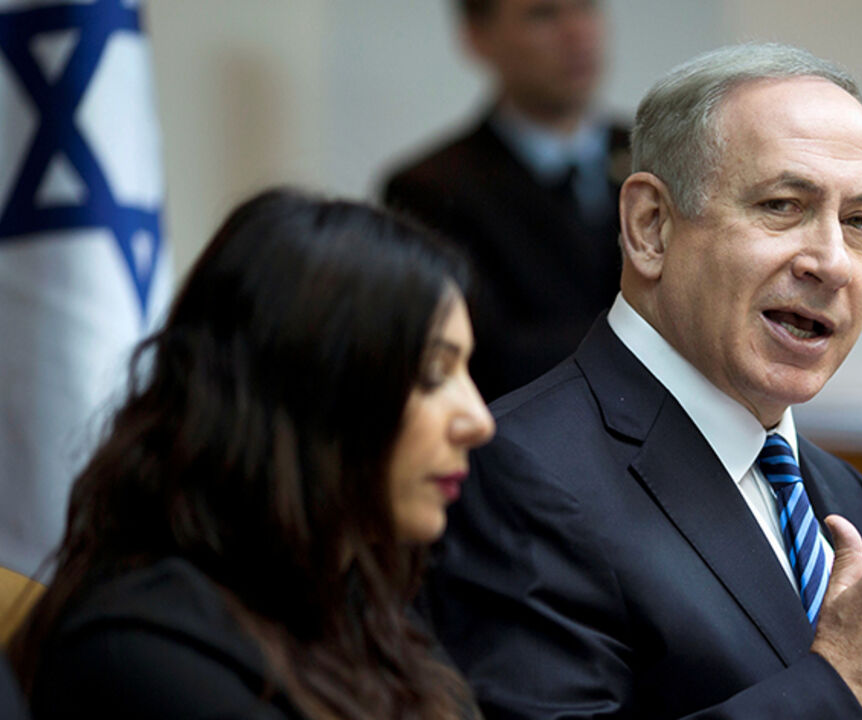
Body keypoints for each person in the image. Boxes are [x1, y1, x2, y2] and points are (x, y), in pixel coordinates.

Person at [429, 43, 862, 720]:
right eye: (783, 206)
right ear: (651, 227)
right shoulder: (517, 472)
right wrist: (849, 689)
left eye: (860, 223)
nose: (832, 263)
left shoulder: (844, 494)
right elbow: (844, 693)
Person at [7, 189, 496, 719]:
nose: (480, 421)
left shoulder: (358, 606)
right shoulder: (141, 652)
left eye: (467, 371)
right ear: (311, 393)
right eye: (432, 375)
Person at [382, 0, 629, 401]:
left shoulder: (660, 160)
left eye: (586, 7)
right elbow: (483, 357)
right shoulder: (430, 189)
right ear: (477, 37)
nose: (576, 33)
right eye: (543, 14)